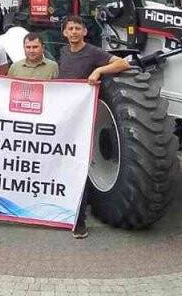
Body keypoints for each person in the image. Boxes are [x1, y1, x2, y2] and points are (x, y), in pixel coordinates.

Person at [56, 14, 129, 240]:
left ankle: (79, 221)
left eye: (78, 28)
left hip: (83, 119)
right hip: (65, 116)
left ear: (85, 32)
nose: (74, 32)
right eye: (70, 29)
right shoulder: (63, 52)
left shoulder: (93, 52)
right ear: (65, 33)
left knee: (79, 167)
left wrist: (98, 71)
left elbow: (123, 63)